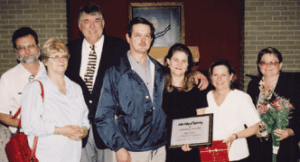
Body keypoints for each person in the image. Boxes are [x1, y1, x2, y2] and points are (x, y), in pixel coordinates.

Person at [65, 3, 130, 162]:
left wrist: (192, 72)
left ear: (103, 23)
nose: (92, 26)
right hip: (79, 130)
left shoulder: (121, 47)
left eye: (97, 20)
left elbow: (145, 65)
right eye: (87, 21)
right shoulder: (68, 51)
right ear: (80, 26)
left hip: (110, 129)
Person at [21, 37, 89, 162]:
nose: (61, 60)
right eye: (55, 56)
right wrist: (61, 130)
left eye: (64, 56)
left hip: (73, 155)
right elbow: (29, 126)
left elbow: (85, 117)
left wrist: (84, 130)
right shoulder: (34, 88)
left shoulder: (75, 88)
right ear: (45, 61)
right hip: (47, 156)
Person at [199, 59, 260, 162]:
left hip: (236, 155)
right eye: (215, 75)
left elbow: (255, 127)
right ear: (210, 77)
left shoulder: (241, 97)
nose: (219, 79)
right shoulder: (205, 97)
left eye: (223, 75)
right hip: (210, 155)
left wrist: (235, 136)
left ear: (231, 76)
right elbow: (200, 126)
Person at [0, 27, 46, 161]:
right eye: (21, 48)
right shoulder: (8, 78)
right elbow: (1, 113)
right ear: (16, 51)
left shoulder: (52, 72)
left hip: (51, 138)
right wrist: (25, 124)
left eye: (31, 46)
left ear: (38, 46)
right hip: (23, 141)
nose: (27, 51)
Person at [247, 47, 300, 162]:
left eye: (273, 62)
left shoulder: (293, 84)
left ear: (280, 65)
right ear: (259, 65)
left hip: (284, 146)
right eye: (264, 62)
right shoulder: (253, 85)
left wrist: (292, 131)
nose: (268, 66)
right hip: (257, 146)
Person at [162, 43, 208, 162]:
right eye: (176, 59)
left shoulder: (197, 88)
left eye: (184, 61)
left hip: (189, 147)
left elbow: (201, 119)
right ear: (168, 61)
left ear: (188, 65)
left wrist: (192, 141)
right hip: (163, 147)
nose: (179, 64)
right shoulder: (158, 88)